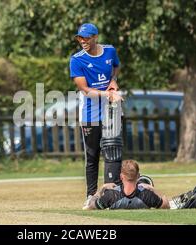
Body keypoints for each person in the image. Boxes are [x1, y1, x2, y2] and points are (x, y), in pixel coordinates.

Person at [69, 23, 124, 209]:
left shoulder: (109, 51)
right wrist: (108, 94)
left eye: (86, 37)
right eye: (79, 38)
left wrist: (113, 81)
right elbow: (85, 90)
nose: (82, 41)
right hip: (89, 113)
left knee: (113, 153)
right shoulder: (76, 60)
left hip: (112, 111)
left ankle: (114, 195)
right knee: (92, 156)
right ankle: (91, 196)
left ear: (95, 37)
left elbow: (116, 66)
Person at [83, 160, 196, 210]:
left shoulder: (110, 196)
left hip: (114, 197)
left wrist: (102, 188)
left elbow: (90, 206)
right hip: (144, 196)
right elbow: (166, 205)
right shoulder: (147, 195)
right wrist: (153, 189)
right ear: (138, 176)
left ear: (121, 176)